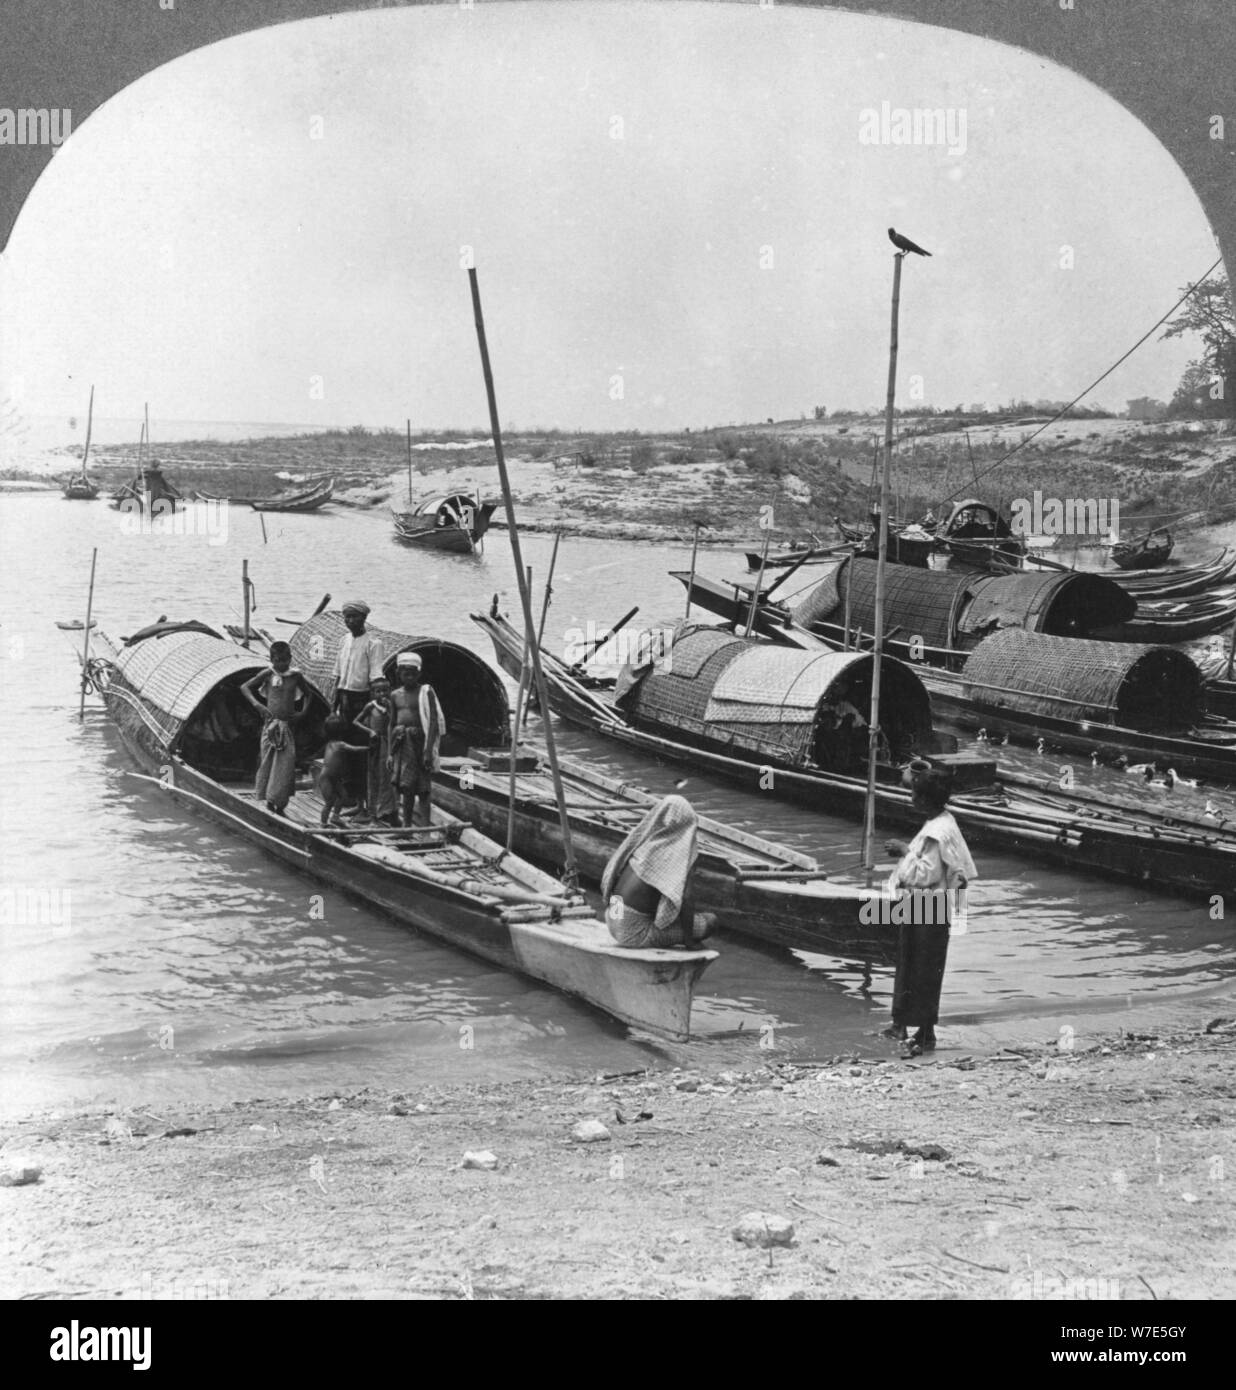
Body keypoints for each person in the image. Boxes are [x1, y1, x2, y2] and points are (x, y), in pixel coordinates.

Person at [882, 766, 977, 1054]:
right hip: (931, 906)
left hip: (927, 906)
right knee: (924, 966)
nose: (911, 798)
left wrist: (903, 851)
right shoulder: (946, 822)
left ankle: (916, 1030)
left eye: (914, 793)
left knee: (917, 965)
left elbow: (925, 874)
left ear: (924, 800)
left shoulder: (937, 832)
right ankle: (914, 1028)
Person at [599, 795, 716, 950]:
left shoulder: (644, 842)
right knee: (711, 921)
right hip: (632, 933)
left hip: (613, 917)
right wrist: (689, 941)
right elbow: (687, 899)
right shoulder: (678, 853)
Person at [240, 641, 310, 815]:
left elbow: (309, 694)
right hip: (269, 726)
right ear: (271, 660)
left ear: (290, 659)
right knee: (268, 763)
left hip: (286, 726)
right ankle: (269, 801)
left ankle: (280, 804)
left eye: (285, 660)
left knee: (286, 765)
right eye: (278, 660)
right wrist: (258, 705)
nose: (282, 664)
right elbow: (245, 687)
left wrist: (302, 712)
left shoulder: (295, 676)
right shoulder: (268, 674)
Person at [332, 600, 384, 815]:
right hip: (344, 700)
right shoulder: (344, 640)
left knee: (363, 753)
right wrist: (333, 705)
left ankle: (365, 805)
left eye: (354, 617)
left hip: (361, 701)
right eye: (347, 617)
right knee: (345, 752)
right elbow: (337, 676)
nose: (350, 621)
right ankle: (352, 800)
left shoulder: (373, 643)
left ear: (364, 619)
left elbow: (376, 678)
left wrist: (373, 711)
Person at [388, 652, 445, 827]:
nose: (410, 677)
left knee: (424, 788)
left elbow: (434, 721)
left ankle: (425, 826)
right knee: (406, 787)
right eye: (406, 674)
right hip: (402, 744)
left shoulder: (425, 692)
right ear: (399, 674)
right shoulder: (395, 695)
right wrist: (390, 753)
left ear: (419, 674)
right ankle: (407, 825)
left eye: (413, 674)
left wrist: (428, 751)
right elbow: (391, 723)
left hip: (420, 742)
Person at [318, 715, 373, 827]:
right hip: (327, 778)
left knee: (342, 795)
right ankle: (323, 823)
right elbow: (354, 749)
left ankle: (335, 817)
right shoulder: (340, 744)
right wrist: (368, 748)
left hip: (334, 778)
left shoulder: (329, 744)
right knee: (329, 802)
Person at [356, 677, 397, 825]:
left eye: (385, 690)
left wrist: (390, 709)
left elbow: (395, 721)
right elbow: (356, 721)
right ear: (372, 693)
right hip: (375, 744)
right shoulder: (370, 706)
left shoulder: (391, 706)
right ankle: (373, 814)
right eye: (378, 691)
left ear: (390, 690)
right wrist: (370, 731)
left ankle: (387, 812)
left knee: (387, 777)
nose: (382, 694)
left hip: (388, 744)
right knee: (373, 777)